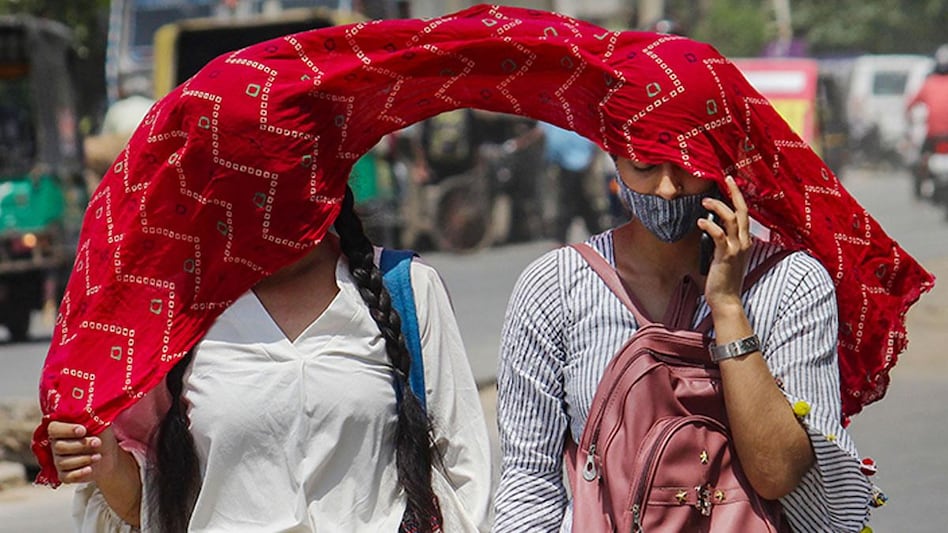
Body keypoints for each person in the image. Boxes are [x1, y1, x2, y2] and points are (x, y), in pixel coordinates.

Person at [48, 187, 492, 532]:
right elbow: (150, 508)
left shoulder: (405, 288)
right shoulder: (175, 313)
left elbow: (464, 478)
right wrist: (104, 461)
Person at [493, 159, 874, 531]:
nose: (667, 188)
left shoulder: (790, 283)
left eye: (686, 165)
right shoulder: (555, 287)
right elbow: (529, 477)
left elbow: (776, 473)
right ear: (614, 157)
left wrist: (727, 306)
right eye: (644, 167)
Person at [539, 122, 609, 245]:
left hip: (574, 163)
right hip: (574, 163)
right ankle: (598, 236)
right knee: (578, 202)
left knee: (571, 203)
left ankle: (562, 238)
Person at [906, 44, 948, 198]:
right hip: (936, 136)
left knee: (922, 158)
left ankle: (922, 186)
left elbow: (910, 104)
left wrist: (908, 119)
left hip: (934, 135)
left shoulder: (928, 83)